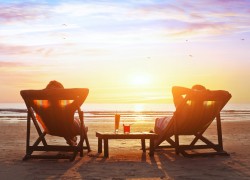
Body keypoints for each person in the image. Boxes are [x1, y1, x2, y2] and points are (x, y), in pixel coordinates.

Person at [37, 80, 84, 146]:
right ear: (62, 93)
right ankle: (72, 138)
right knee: (71, 121)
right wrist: (64, 92)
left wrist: (44, 91)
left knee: (61, 122)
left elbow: (23, 93)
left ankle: (71, 140)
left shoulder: (41, 107)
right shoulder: (68, 108)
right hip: (69, 129)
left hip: (51, 129)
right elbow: (86, 91)